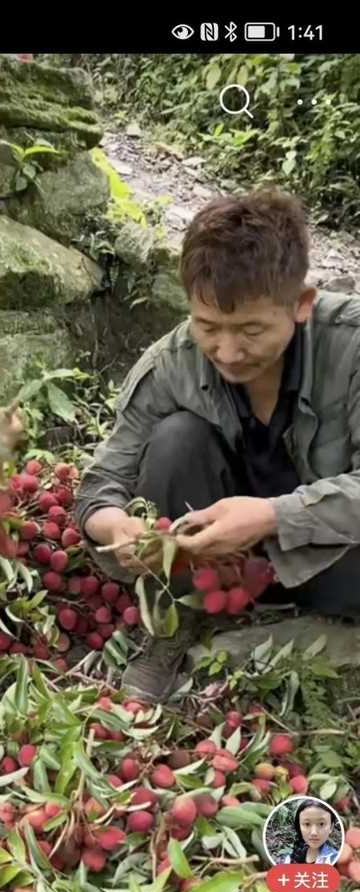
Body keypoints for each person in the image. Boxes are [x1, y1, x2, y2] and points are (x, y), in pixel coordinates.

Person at [74, 188, 360, 704]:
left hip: (330, 555)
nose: (227, 351)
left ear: (301, 305)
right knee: (174, 439)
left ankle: (303, 616)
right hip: (214, 566)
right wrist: (115, 525)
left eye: (251, 329)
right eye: (208, 326)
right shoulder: (173, 363)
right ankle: (176, 621)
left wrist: (274, 516)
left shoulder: (351, 346)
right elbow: (100, 484)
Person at [275, 798, 340, 865]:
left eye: (321, 824)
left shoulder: (334, 858)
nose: (314, 832)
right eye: (307, 824)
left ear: (331, 827)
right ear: (299, 826)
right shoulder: (287, 859)